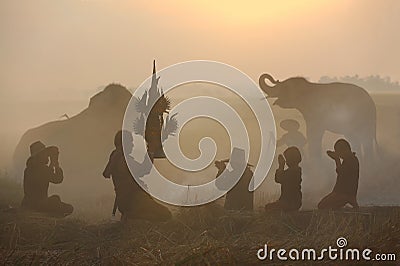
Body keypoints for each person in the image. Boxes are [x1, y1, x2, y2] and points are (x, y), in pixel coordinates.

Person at [103, 130, 171, 222]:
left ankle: (133, 218)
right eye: (130, 142)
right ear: (124, 143)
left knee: (158, 213)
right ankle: (133, 218)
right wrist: (151, 151)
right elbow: (143, 171)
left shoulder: (116, 156)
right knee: (165, 215)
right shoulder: (123, 159)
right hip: (134, 201)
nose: (132, 145)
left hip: (126, 201)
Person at [21, 141, 73, 217]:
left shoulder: (29, 169)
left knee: (55, 199)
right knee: (66, 206)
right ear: (40, 156)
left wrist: (52, 163)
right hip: (38, 205)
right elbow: (58, 179)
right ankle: (47, 215)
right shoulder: (42, 169)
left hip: (27, 204)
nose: (47, 156)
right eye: (44, 154)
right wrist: (56, 163)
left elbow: (46, 175)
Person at [318, 139, 359, 210]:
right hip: (346, 193)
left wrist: (337, 160)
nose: (339, 155)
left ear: (344, 150)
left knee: (321, 206)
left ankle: (347, 200)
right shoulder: (351, 159)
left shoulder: (351, 160)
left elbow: (341, 173)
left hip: (343, 194)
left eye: (339, 152)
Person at [265, 146, 302, 212]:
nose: (286, 161)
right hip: (292, 201)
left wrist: (281, 166)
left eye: (287, 159)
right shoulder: (296, 170)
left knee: (268, 208)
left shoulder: (293, 172)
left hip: (290, 202)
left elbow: (278, 179)